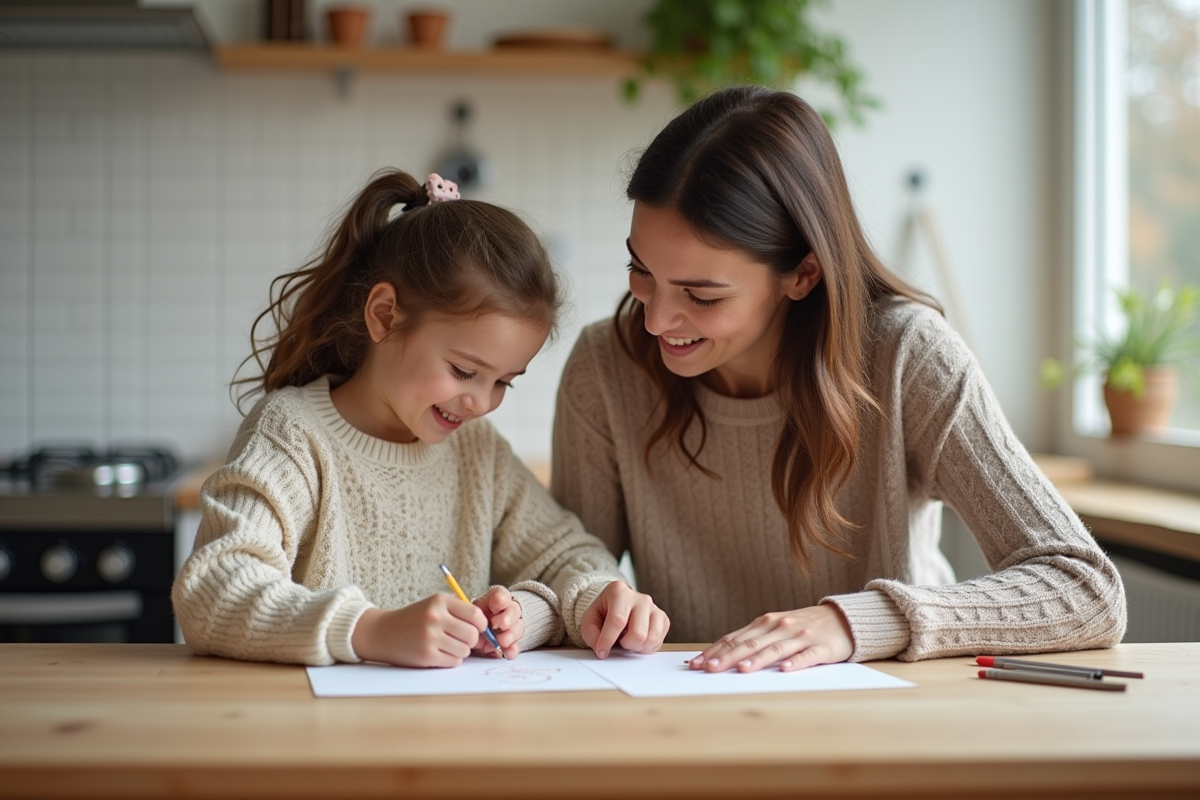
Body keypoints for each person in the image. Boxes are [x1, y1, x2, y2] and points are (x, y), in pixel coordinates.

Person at [550, 86, 1126, 674]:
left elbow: (1086, 590)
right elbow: (567, 557)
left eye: (701, 295)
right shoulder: (605, 363)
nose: (655, 319)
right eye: (640, 271)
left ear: (801, 273)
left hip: (886, 714)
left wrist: (857, 621)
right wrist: (594, 592)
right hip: (689, 706)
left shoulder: (909, 356)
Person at [173, 169, 669, 668]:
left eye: (503, 382)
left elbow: (569, 557)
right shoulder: (292, 435)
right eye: (464, 371)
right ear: (385, 316)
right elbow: (212, 592)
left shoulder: (478, 453)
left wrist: (535, 610)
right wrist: (371, 631)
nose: (481, 402)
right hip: (318, 738)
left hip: (444, 738)